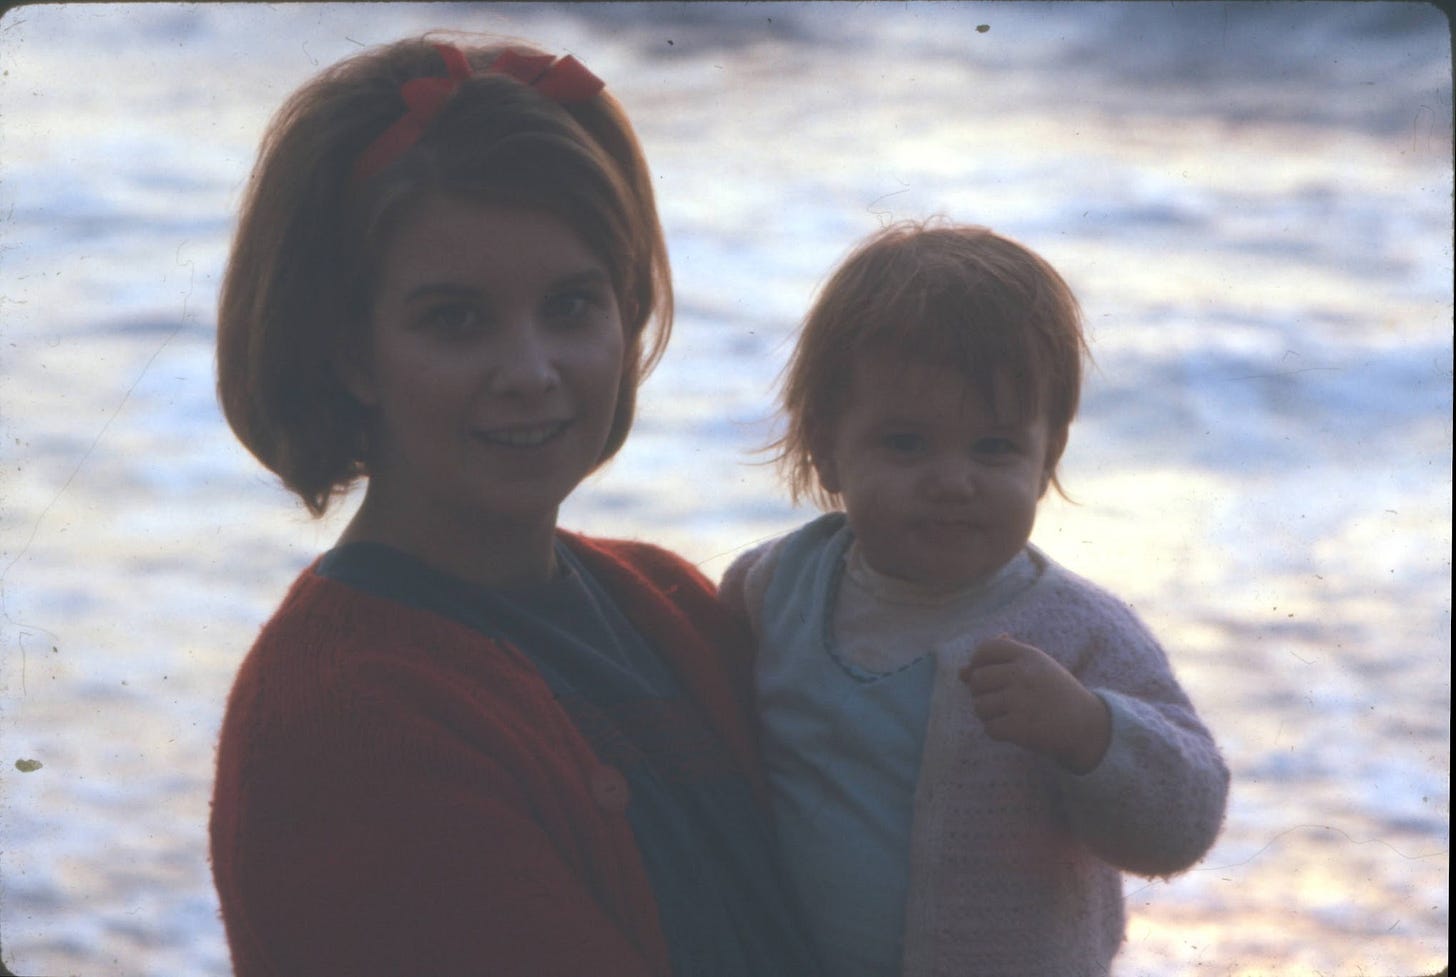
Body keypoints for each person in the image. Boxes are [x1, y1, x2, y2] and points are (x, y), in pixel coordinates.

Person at [210, 34, 823, 977]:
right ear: (346, 349)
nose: (531, 372)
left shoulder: (665, 602)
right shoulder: (343, 714)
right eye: (456, 318)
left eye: (573, 305)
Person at [721, 220, 1230, 977]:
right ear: (827, 445)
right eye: (906, 442)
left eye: (993, 448)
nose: (952, 479)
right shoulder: (772, 589)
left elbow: (1186, 818)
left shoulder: (1075, 632)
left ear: (1046, 454)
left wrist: (1091, 732)